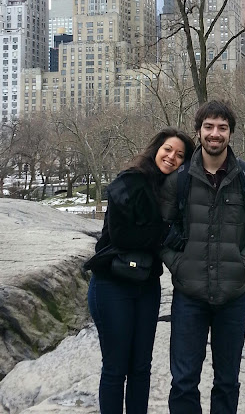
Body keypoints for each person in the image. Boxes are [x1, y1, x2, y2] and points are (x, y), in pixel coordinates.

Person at [161, 100, 245, 414]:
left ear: (230, 133)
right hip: (189, 297)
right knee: (183, 382)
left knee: (227, 382)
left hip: (232, 298)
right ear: (198, 131)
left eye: (222, 127)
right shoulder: (179, 179)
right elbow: (161, 233)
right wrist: (180, 266)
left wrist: (240, 267)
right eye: (208, 126)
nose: (215, 133)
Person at [86, 128, 195, 414]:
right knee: (115, 367)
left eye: (180, 155)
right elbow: (121, 236)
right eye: (168, 149)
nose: (172, 157)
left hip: (146, 285)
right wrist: (163, 233)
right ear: (156, 148)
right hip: (112, 284)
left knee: (141, 367)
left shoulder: (172, 192)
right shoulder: (130, 181)